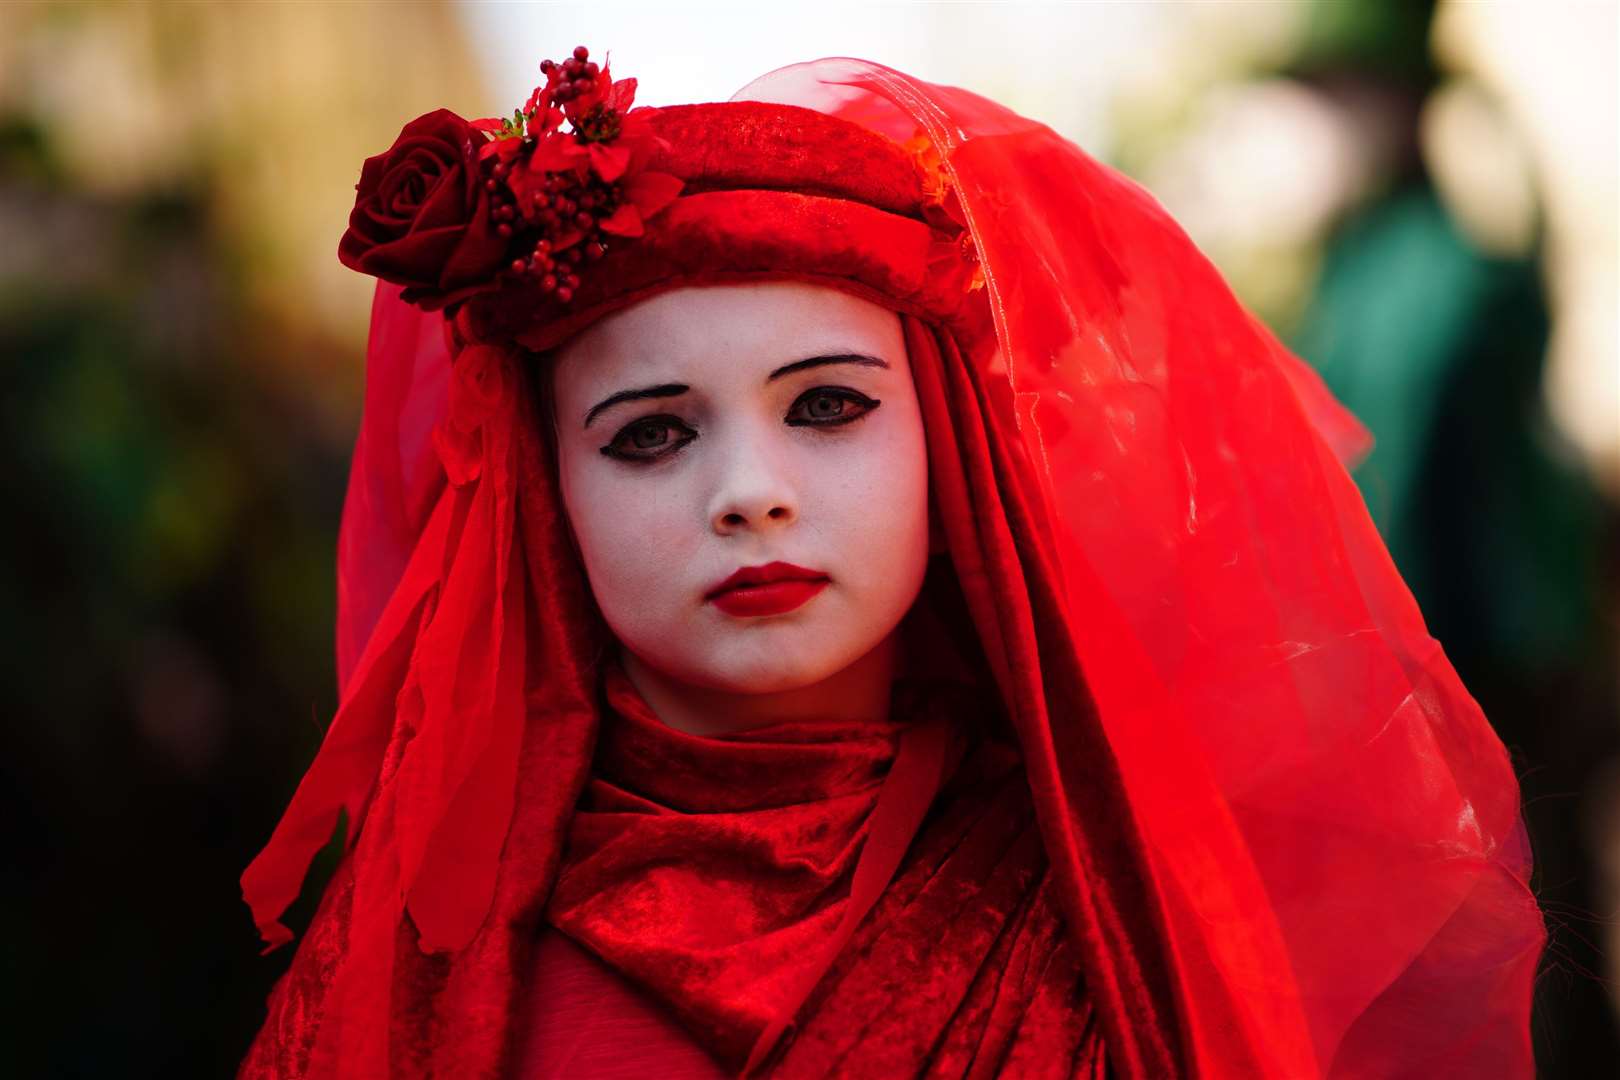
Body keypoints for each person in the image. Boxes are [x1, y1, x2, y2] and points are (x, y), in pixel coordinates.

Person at [238, 48, 1546, 1078]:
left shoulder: (1119, 892)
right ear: (546, 495)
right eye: (650, 434)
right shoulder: (420, 968)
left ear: (949, 446)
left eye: (826, 407)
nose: (750, 494)